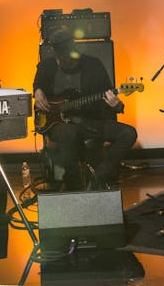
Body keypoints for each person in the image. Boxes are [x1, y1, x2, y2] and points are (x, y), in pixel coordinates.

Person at [33, 28, 137, 191]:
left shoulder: (93, 65)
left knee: (129, 133)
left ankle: (98, 176)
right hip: (58, 124)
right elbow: (37, 84)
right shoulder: (47, 66)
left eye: (69, 58)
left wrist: (117, 105)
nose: (66, 62)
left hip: (90, 122)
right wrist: (38, 92)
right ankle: (74, 186)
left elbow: (108, 96)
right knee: (69, 132)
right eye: (61, 59)